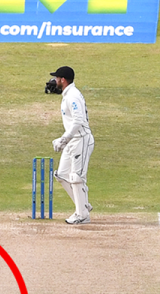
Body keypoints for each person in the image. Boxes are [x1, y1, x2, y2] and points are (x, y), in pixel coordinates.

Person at [50, 66, 94, 225]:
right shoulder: (68, 94)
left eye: (57, 78)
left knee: (76, 177)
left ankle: (82, 215)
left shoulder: (73, 96)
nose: (54, 81)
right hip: (72, 141)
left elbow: (78, 120)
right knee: (61, 175)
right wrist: (66, 139)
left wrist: (64, 138)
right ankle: (83, 205)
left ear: (63, 79)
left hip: (80, 140)